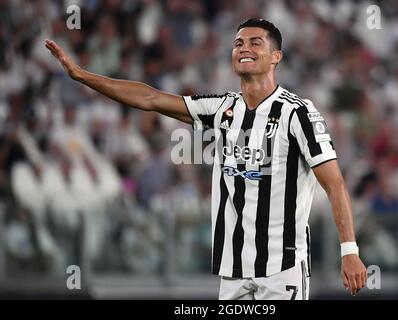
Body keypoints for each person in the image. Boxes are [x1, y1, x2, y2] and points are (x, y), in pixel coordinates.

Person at [45, 18, 367, 300]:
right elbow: (151, 98)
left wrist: (349, 251)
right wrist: (83, 76)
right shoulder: (221, 108)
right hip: (232, 269)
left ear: (275, 57)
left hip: (281, 268)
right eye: (238, 43)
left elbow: (334, 183)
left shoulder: (298, 113)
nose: (244, 48)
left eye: (256, 43)